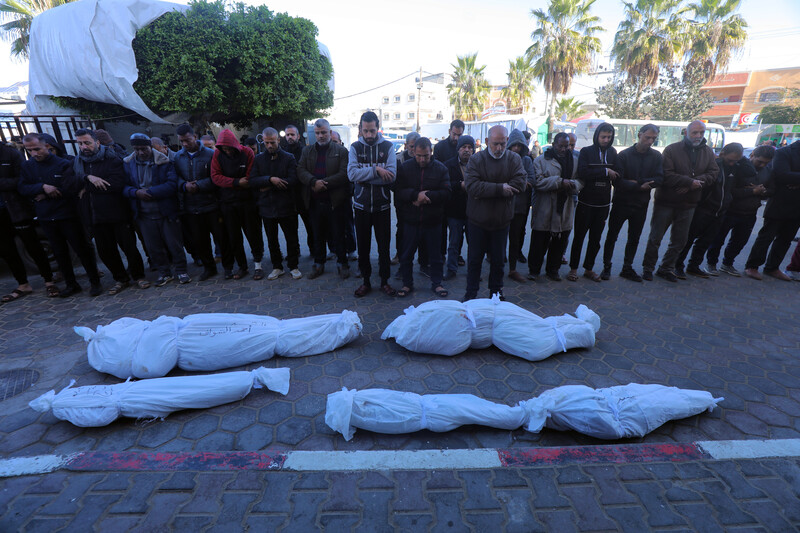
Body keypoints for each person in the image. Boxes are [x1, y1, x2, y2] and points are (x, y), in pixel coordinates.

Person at [19, 133, 102, 297]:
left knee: (82, 249)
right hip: (46, 217)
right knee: (59, 253)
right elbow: (23, 188)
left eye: (37, 149)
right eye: (29, 150)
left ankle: (95, 282)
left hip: (68, 215)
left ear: (47, 147)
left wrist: (48, 192)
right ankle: (71, 284)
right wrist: (43, 187)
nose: (34, 153)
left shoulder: (64, 164)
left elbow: (70, 188)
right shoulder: (27, 167)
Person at [642, 120, 718, 282]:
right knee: (655, 238)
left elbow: (713, 173)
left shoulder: (708, 152)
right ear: (686, 133)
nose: (698, 136)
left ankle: (666, 268)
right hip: (666, 202)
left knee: (679, 241)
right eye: (695, 133)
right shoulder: (671, 150)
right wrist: (689, 182)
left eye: (702, 133)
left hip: (689, 203)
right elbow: (666, 174)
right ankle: (648, 268)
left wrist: (692, 184)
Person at [74, 129, 147, 294]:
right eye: (80, 143)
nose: (84, 146)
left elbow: (114, 184)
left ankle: (139, 276)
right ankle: (121, 279)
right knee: (106, 251)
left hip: (118, 213)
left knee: (129, 247)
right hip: (95, 216)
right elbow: (70, 183)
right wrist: (88, 178)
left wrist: (87, 188)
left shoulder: (112, 159)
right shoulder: (78, 163)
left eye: (87, 142)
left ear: (97, 143)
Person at [463, 125, 527, 301]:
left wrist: (488, 188)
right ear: (486, 142)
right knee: (474, 261)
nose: (499, 149)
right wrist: (500, 188)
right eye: (495, 144)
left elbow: (521, 183)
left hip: (501, 221)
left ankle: (496, 294)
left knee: (498, 262)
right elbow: (472, 186)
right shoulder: (476, 160)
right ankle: (471, 294)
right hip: (477, 221)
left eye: (502, 144)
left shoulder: (513, 159)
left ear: (507, 141)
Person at [123, 133, 189, 286]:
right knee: (153, 246)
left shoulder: (165, 162)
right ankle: (164, 273)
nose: (140, 152)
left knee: (174, 244)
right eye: (137, 149)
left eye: (144, 148)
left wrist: (151, 192)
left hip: (165, 211)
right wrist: (136, 193)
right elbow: (124, 186)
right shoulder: (128, 163)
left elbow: (172, 184)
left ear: (150, 147)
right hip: (144, 214)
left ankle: (181, 270)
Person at [601, 124, 663, 282]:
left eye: (653, 138)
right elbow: (618, 181)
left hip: (640, 205)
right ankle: (606, 267)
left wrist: (638, 182)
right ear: (639, 134)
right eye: (647, 137)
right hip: (621, 203)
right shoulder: (624, 155)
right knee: (612, 236)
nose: (650, 141)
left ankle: (627, 268)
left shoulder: (656, 156)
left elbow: (660, 178)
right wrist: (638, 185)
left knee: (634, 238)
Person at [676, 143, 747, 278]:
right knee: (689, 239)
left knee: (705, 241)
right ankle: (677, 265)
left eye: (736, 161)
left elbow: (751, 172)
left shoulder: (736, 168)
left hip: (720, 210)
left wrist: (741, 159)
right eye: (730, 160)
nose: (732, 163)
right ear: (722, 154)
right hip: (704, 208)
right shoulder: (714, 165)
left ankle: (694, 266)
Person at [0, 138, 58, 299]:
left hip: (15, 208)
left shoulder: (10, 153)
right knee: (7, 250)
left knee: (33, 246)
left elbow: (21, 180)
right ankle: (23, 284)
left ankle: (49, 281)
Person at [348, 111, 397, 297]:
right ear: (360, 129)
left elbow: (392, 177)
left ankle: (385, 281)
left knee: (384, 247)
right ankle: (366, 281)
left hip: (382, 207)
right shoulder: (354, 148)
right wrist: (377, 169)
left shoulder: (388, 146)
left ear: (378, 129)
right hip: (360, 207)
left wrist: (365, 178)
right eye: (366, 131)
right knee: (363, 247)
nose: (369, 135)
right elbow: (351, 175)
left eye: (372, 131)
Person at [394, 137, 451, 297]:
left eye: (425, 156)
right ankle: (407, 284)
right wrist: (415, 195)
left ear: (430, 152)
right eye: (418, 155)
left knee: (436, 256)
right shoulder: (405, 168)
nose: (422, 159)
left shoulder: (441, 169)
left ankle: (437, 283)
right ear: (413, 152)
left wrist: (428, 196)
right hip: (411, 221)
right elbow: (398, 190)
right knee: (406, 255)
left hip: (433, 221)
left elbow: (447, 192)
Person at [705, 145, 774, 277]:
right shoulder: (739, 167)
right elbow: (730, 190)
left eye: (766, 163)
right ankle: (711, 263)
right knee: (718, 239)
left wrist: (763, 191)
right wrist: (752, 191)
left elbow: (772, 190)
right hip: (730, 210)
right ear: (752, 155)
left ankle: (728, 263)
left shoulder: (768, 171)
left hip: (750, 212)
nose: (762, 164)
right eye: (760, 161)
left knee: (739, 241)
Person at [297, 118, 351, 280]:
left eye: (324, 132)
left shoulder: (341, 151)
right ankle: (318, 264)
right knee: (317, 234)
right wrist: (313, 182)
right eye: (318, 133)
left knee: (338, 234)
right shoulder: (307, 151)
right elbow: (300, 169)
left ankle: (343, 263)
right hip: (314, 201)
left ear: (330, 132)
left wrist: (324, 183)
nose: (321, 136)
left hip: (335, 201)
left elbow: (344, 174)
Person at [174, 124, 229, 281]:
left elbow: (217, 178)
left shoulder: (211, 155)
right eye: (181, 141)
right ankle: (209, 268)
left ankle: (228, 267)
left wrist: (199, 185)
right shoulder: (178, 157)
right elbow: (175, 178)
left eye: (187, 140)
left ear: (195, 137)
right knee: (200, 241)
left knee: (222, 238)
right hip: (192, 207)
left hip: (211, 204)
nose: (185, 144)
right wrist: (184, 185)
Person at [568, 123, 619, 282]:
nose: (605, 140)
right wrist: (605, 171)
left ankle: (589, 268)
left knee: (596, 239)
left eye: (609, 137)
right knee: (579, 238)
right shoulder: (586, 152)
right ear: (597, 136)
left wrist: (608, 173)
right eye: (603, 136)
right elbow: (583, 172)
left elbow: (616, 174)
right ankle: (573, 269)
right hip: (586, 202)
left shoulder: (612, 153)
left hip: (603, 204)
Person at [248, 127, 301, 281]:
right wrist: (271, 179)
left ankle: (293, 266)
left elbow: (293, 180)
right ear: (263, 141)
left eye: (272, 142)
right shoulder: (258, 159)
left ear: (278, 140)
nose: (269, 146)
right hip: (267, 207)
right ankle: (277, 266)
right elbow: (252, 181)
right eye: (266, 143)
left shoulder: (289, 158)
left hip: (287, 206)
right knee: (272, 240)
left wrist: (267, 184)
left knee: (291, 238)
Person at [744, 137, 800, 281]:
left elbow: (790, 176)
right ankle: (753, 266)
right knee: (766, 237)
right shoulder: (784, 152)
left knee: (785, 239)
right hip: (780, 202)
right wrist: (791, 179)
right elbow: (782, 175)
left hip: (797, 206)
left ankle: (772, 268)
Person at [210, 129, 263, 280]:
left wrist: (234, 182)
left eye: (228, 148)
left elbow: (250, 177)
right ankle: (242, 266)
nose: (226, 151)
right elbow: (215, 177)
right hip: (228, 203)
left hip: (247, 201)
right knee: (234, 237)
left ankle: (258, 265)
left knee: (254, 234)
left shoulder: (247, 153)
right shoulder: (217, 154)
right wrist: (235, 182)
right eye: (223, 148)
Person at [527, 132, 581, 282]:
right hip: (544, 206)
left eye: (567, 146)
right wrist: (559, 182)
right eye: (560, 146)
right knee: (539, 240)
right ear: (554, 145)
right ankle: (534, 270)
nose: (564, 149)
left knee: (560, 241)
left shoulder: (575, 162)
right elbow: (538, 182)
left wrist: (573, 185)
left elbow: (580, 181)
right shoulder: (540, 161)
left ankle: (553, 270)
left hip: (565, 206)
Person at [443, 135, 474, 280]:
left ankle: (474, 271)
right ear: (458, 149)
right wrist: (460, 185)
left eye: (469, 147)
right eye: (463, 147)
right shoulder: (448, 165)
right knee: (454, 242)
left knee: (474, 243)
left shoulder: (478, 164)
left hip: (473, 212)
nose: (466, 150)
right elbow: (445, 184)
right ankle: (451, 269)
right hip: (454, 210)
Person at [506, 129, 535, 283]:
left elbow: (532, 180)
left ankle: (512, 268)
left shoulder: (527, 161)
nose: (516, 148)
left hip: (520, 206)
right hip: (503, 205)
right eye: (513, 145)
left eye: (519, 145)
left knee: (516, 237)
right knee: (500, 237)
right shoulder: (503, 158)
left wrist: (516, 184)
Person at [282, 124, 314, 258]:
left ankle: (314, 251)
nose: (290, 137)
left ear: (298, 136)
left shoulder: (305, 151)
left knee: (310, 226)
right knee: (291, 228)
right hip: (289, 196)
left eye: (292, 135)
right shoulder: (282, 151)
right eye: (287, 135)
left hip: (304, 194)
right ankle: (294, 252)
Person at [392, 131, 420, 267]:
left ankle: (422, 259)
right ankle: (399, 254)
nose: (414, 150)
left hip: (418, 201)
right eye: (411, 147)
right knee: (401, 228)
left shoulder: (422, 158)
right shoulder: (397, 159)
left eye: (416, 146)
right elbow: (393, 183)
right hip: (402, 201)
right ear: (406, 145)